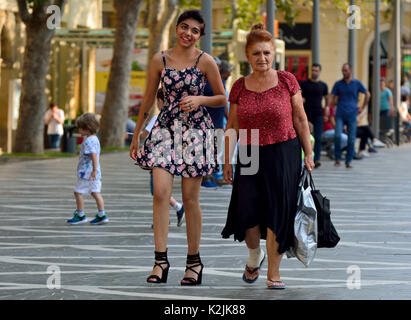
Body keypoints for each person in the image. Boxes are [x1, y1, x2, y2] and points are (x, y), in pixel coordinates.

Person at [129, 9, 227, 285]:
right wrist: (137, 134)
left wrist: (199, 99)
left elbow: (221, 97)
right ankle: (160, 261)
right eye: (184, 27)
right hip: (164, 129)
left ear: (200, 36)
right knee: (160, 193)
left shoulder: (205, 61)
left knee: (189, 199)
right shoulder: (160, 59)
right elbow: (148, 98)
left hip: (196, 131)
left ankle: (194, 262)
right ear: (176, 29)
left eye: (195, 30)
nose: (188, 33)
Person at [221, 23, 314, 290]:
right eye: (256, 54)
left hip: (283, 149)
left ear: (274, 54)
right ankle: (254, 255)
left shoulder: (287, 80)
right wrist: (226, 161)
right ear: (247, 56)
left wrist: (308, 152)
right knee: (248, 209)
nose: (262, 58)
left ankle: (274, 272)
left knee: (278, 210)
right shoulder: (239, 86)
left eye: (266, 53)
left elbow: (300, 117)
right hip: (249, 148)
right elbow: (232, 127)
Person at [139, 89, 185, 227]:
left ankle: (171, 212)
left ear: (160, 101)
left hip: (157, 159)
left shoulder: (156, 118)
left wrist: (136, 134)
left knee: (157, 190)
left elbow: (144, 136)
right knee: (162, 189)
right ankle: (168, 214)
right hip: (170, 158)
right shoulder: (177, 119)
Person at [67, 113, 108, 225]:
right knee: (95, 193)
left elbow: (94, 155)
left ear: (86, 129)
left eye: (80, 128)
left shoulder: (89, 141)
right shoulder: (94, 139)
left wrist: (93, 170)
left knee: (78, 192)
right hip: (94, 173)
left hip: (87, 173)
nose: (78, 130)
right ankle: (102, 214)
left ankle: (80, 215)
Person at [330, 63, 370, 168]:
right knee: (338, 135)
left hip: (352, 114)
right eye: (342, 70)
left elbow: (367, 94)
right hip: (340, 114)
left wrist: (363, 107)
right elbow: (332, 97)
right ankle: (337, 158)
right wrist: (329, 106)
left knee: (351, 139)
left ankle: (348, 160)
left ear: (351, 70)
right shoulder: (338, 84)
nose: (344, 72)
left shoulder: (357, 83)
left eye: (346, 70)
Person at [299, 63, 329, 168]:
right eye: (312, 70)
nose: (314, 72)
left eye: (316, 70)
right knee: (305, 136)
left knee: (318, 137)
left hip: (318, 114)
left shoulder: (323, 85)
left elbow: (327, 98)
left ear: (319, 71)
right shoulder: (303, 83)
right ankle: (304, 158)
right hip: (305, 114)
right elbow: (297, 94)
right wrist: (300, 99)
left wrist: (327, 109)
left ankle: (316, 159)